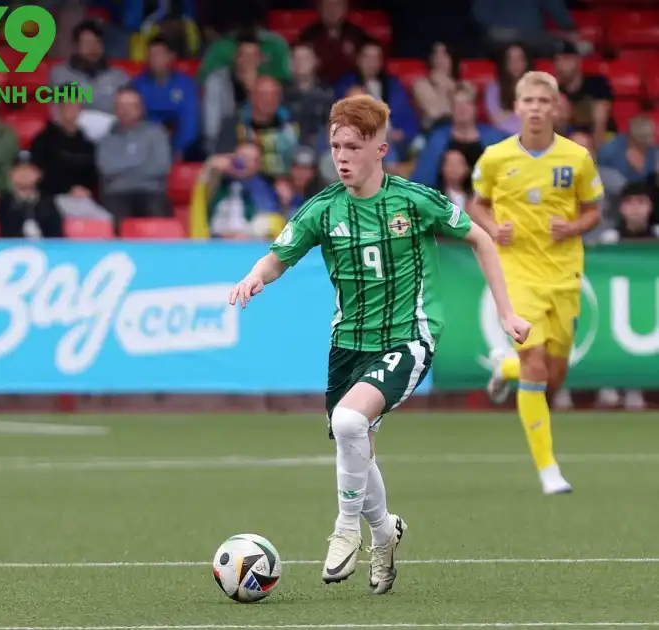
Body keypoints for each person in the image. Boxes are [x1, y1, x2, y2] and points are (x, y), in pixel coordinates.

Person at [228, 94, 530, 594]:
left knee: (349, 422)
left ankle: (346, 528)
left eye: (352, 146)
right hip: (348, 345)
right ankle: (385, 533)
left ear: (380, 150)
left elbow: (481, 239)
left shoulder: (414, 201)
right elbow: (278, 257)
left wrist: (506, 312)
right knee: (356, 444)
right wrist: (255, 276)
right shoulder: (323, 209)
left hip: (410, 336)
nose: (341, 157)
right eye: (335, 146)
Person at [468, 71, 602, 495]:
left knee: (554, 375)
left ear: (556, 107)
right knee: (536, 365)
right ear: (517, 107)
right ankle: (548, 470)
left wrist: (573, 226)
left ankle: (504, 367)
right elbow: (476, 204)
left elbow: (593, 209)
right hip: (517, 275)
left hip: (563, 276)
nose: (537, 109)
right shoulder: (495, 157)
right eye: (529, 101)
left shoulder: (577, 158)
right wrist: (494, 228)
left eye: (544, 102)